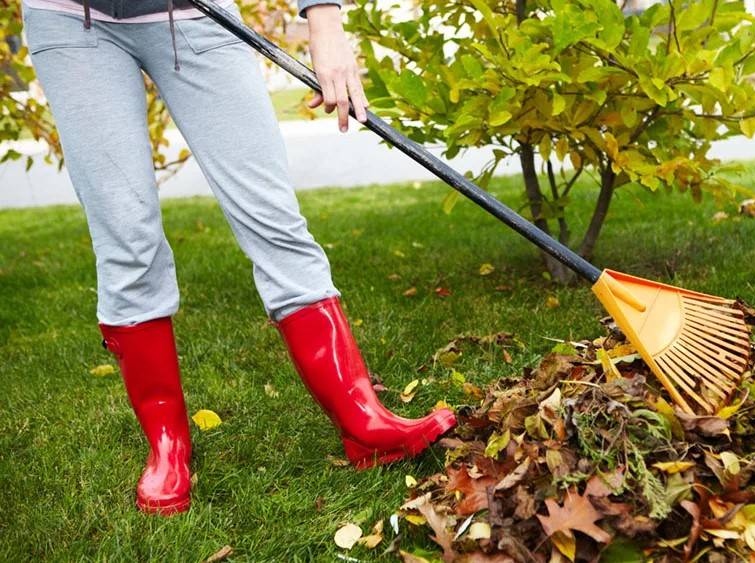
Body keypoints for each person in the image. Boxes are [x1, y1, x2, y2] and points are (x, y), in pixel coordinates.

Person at [22, 0, 456, 515]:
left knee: (272, 217)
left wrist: (325, 22)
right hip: (72, 18)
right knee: (127, 236)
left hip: (195, 14)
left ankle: (364, 423)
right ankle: (168, 450)